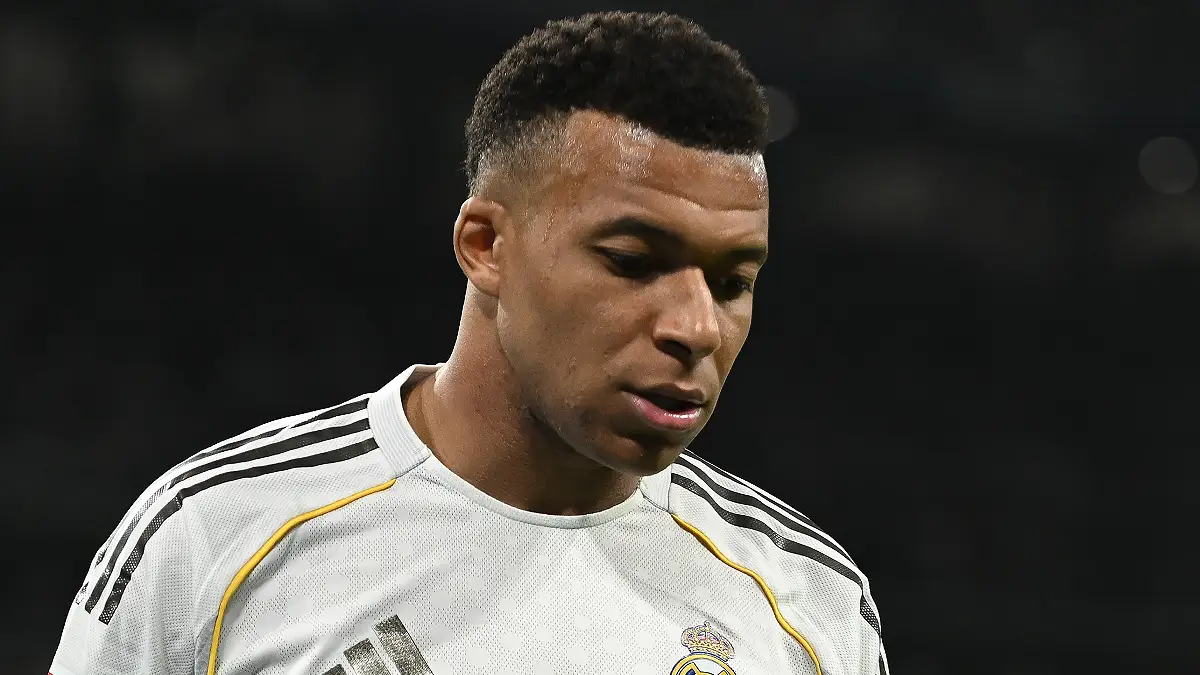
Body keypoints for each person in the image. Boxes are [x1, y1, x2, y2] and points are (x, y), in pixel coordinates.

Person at [51, 11, 887, 675]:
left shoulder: (808, 599)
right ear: (487, 245)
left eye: (733, 281)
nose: (697, 326)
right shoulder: (216, 537)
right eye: (634, 262)